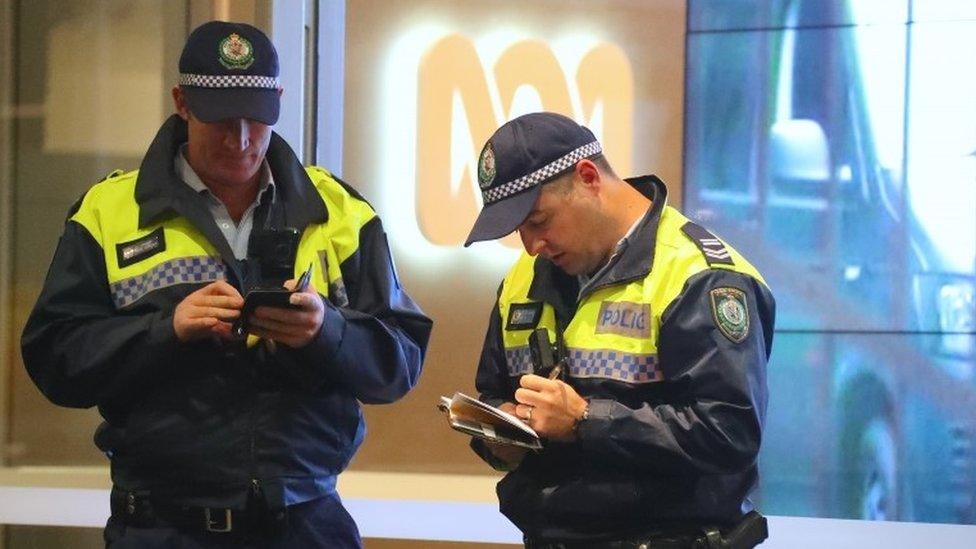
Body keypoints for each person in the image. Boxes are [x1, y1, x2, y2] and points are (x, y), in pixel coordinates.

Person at [20, 21, 431, 548]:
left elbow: (399, 365)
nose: (240, 140)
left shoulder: (341, 215)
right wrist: (165, 330)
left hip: (305, 524)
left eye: (256, 119)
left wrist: (325, 332)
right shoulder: (108, 213)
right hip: (161, 526)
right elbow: (55, 361)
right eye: (220, 119)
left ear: (279, 100)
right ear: (182, 102)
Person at [465, 112, 774, 548]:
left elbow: (729, 431)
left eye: (538, 221)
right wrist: (502, 435)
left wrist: (585, 421)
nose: (532, 245)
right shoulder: (524, 279)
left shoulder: (698, 276)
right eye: (519, 231)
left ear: (588, 177)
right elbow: (494, 392)